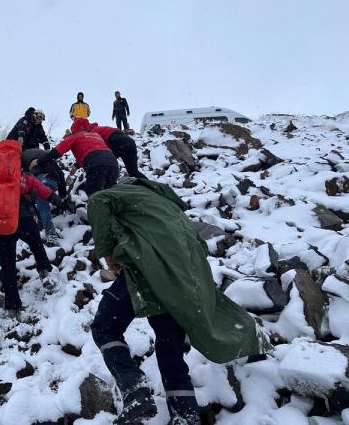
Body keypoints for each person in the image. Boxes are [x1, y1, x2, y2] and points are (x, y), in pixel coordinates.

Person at [87, 179, 271, 424]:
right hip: (182, 285)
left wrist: (107, 252)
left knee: (105, 328)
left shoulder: (125, 192)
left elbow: (98, 199)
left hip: (148, 269)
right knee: (168, 345)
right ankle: (186, 416)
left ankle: (135, 391)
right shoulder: (171, 207)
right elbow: (200, 246)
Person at [0, 166, 65, 317]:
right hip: (24, 219)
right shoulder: (24, 176)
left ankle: (12, 306)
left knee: (7, 265)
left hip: (1, 223)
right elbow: (44, 191)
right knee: (37, 246)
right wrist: (60, 202)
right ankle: (45, 273)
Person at [30, 118, 119, 197]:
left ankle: (97, 214)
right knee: (109, 195)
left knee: (95, 196)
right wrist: (76, 166)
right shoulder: (95, 135)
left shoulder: (75, 136)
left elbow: (56, 152)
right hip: (113, 164)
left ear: (75, 127)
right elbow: (96, 151)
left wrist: (38, 161)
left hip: (96, 165)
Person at [22, 149, 67, 246]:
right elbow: (61, 174)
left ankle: (50, 234)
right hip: (52, 180)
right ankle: (43, 226)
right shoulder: (47, 156)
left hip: (40, 181)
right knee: (41, 201)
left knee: (40, 201)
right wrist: (63, 196)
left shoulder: (23, 157)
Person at [82, 119, 147, 180]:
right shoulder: (99, 128)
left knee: (103, 165)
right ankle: (152, 186)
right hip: (129, 141)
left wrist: (79, 164)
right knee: (133, 172)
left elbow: (92, 151)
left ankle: (106, 187)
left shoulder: (90, 133)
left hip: (116, 141)